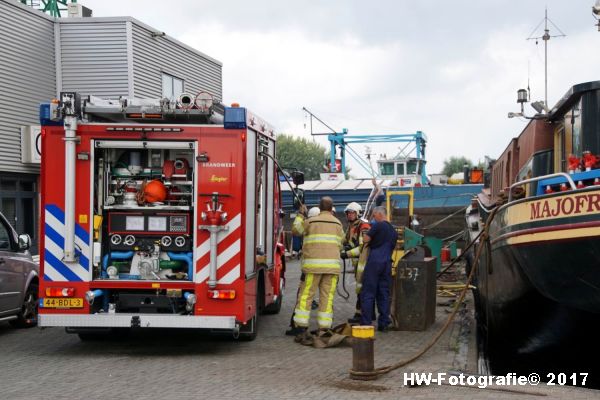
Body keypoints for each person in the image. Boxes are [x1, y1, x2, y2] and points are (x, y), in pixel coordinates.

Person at [290, 196, 344, 334]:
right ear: (331, 208)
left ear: (319, 208)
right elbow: (341, 243)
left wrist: (301, 214)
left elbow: (296, 230)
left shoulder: (311, 221)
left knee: (306, 295)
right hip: (332, 268)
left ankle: (301, 326)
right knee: (327, 297)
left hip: (313, 267)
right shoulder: (338, 224)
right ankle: (324, 327)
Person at [360, 206, 398, 332]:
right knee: (384, 293)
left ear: (379, 214)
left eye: (374, 215)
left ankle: (366, 323)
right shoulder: (393, 230)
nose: (373, 218)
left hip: (374, 262)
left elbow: (365, 240)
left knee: (368, 292)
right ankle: (384, 323)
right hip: (387, 262)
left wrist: (366, 230)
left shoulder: (378, 226)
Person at [341, 202, 370, 323]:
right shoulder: (351, 226)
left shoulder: (363, 226)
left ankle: (361, 315)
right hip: (357, 264)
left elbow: (363, 248)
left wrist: (346, 253)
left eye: (352, 213)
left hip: (364, 263)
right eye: (348, 213)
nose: (350, 215)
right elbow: (343, 241)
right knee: (360, 290)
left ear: (358, 213)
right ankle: (365, 313)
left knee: (361, 290)